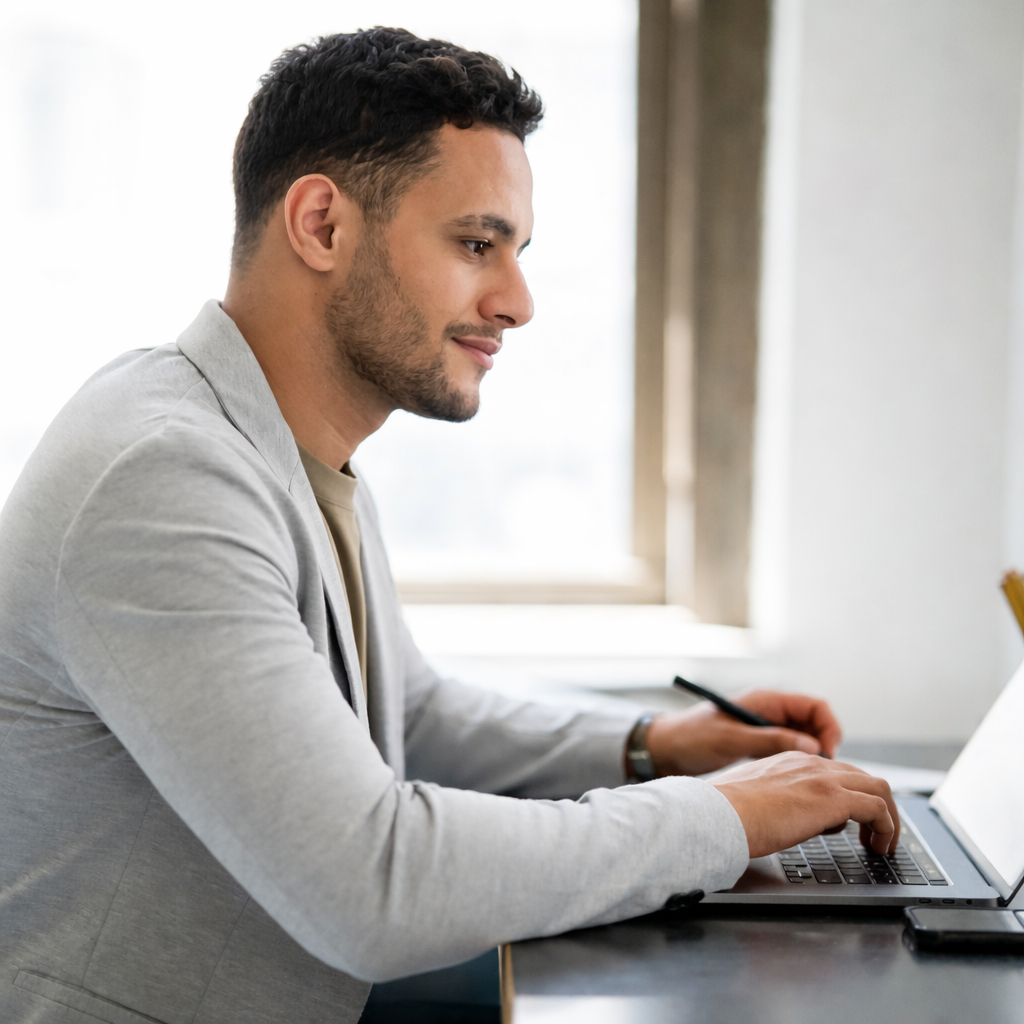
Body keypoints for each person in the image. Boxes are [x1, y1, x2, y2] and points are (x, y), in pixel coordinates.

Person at [0, 27, 898, 1024]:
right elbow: (371, 884)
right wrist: (721, 816)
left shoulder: (285, 447)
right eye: (477, 244)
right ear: (321, 225)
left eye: (517, 252)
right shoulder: (163, 478)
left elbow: (408, 718)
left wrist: (654, 745)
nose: (517, 302)